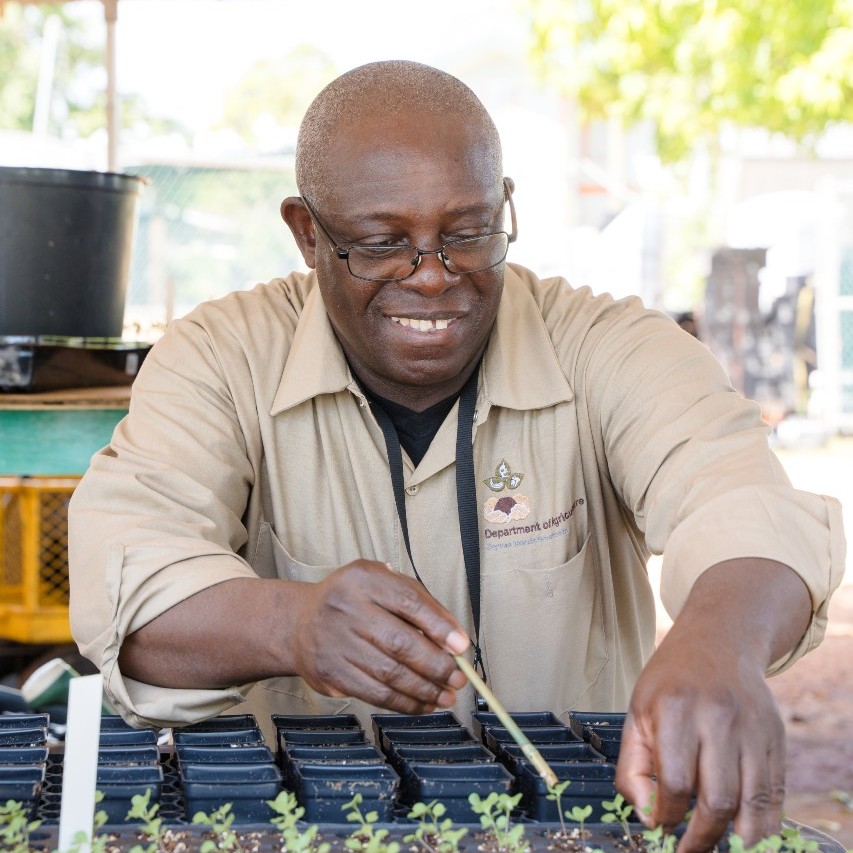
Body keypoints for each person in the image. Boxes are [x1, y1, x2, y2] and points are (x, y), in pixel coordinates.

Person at [68, 60, 844, 853]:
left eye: (468, 233)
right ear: (307, 233)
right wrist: (289, 622)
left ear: (504, 205)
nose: (434, 276)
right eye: (381, 244)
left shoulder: (611, 347)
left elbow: (741, 502)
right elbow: (123, 587)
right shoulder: (220, 358)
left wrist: (722, 640)